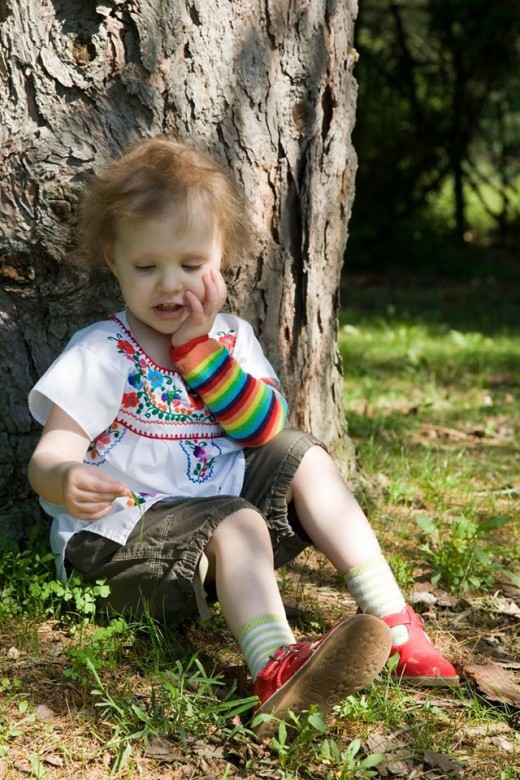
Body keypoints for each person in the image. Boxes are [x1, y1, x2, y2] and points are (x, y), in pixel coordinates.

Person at [27, 137, 458, 738]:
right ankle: (276, 667)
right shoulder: (102, 351)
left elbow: (262, 429)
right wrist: (66, 479)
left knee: (301, 453)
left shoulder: (231, 341)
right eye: (146, 267)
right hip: (120, 546)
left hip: (222, 538)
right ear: (113, 259)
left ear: (222, 255)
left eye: (191, 264)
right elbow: (50, 455)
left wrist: (199, 351)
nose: (170, 286)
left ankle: (393, 617)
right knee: (236, 518)